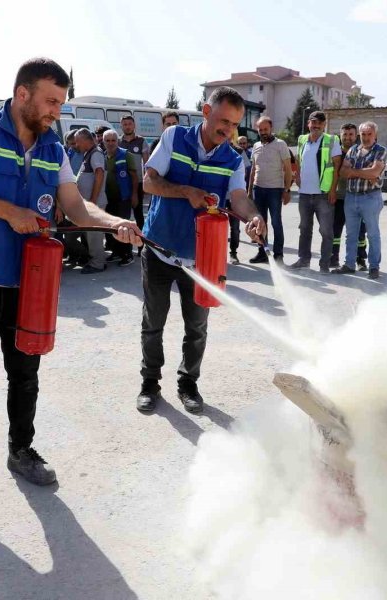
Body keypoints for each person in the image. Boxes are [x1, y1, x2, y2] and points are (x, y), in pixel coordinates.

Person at [0, 58, 141, 492]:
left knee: (25, 375)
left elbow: (77, 207)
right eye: (50, 101)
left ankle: (20, 448)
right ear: (22, 94)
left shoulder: (53, 148)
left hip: (28, 283)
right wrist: (11, 212)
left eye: (60, 103)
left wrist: (113, 223)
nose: (55, 112)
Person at [137, 86, 265, 414]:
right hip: (159, 247)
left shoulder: (233, 159)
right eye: (223, 121)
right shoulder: (174, 137)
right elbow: (149, 182)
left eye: (235, 125)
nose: (228, 130)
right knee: (154, 322)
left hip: (200, 258)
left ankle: (187, 383)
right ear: (206, 113)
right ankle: (150, 383)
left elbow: (238, 197)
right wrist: (185, 191)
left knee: (196, 327)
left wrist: (253, 217)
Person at [332, 121, 387, 280]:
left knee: (372, 234)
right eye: (363, 134)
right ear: (359, 135)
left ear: (375, 135)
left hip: (370, 197)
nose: (366, 137)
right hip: (351, 197)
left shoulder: (380, 151)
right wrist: (366, 172)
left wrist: (354, 172)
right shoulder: (353, 150)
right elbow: (343, 172)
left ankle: (374, 266)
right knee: (351, 234)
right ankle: (349, 264)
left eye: (369, 134)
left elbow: (375, 172)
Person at [290, 111, 342, 273]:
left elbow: (336, 168)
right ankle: (303, 260)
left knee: (326, 231)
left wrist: (333, 190)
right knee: (304, 228)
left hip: (324, 194)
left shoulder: (332, 140)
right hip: (305, 194)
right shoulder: (302, 140)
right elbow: (298, 159)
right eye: (313, 123)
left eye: (319, 123)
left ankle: (324, 264)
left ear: (324, 125)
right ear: (308, 124)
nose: (316, 126)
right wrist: (297, 176)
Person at [248, 116, 292, 264]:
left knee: (276, 222)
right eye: (260, 130)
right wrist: (249, 191)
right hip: (258, 189)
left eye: (265, 129)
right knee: (260, 223)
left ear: (271, 128)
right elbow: (253, 169)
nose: (263, 132)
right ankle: (262, 253)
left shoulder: (281, 145)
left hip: (275, 190)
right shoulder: (255, 146)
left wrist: (287, 190)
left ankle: (278, 255)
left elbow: (287, 168)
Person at [331, 123, 367, 270]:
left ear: (356, 136)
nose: (347, 137)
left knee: (360, 232)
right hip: (339, 198)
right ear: (340, 135)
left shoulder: (362, 152)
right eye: (345, 134)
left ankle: (360, 259)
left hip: (357, 198)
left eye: (351, 134)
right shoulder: (335, 154)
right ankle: (333, 258)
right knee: (336, 230)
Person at [73, 128, 109, 274]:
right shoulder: (89, 153)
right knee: (91, 234)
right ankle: (96, 260)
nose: (76, 145)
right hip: (90, 203)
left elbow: (99, 174)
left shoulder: (96, 153)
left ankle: (98, 264)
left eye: (77, 142)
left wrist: (93, 200)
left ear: (84, 140)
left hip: (95, 203)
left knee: (95, 235)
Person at [103, 129, 139, 265]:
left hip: (124, 198)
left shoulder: (125, 155)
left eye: (113, 140)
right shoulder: (103, 156)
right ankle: (116, 253)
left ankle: (128, 255)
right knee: (111, 227)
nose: (111, 143)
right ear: (103, 142)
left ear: (117, 141)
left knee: (124, 226)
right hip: (108, 198)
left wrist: (134, 195)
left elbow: (134, 177)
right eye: (108, 140)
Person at [118, 115, 149, 238]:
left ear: (134, 125)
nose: (127, 126)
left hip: (138, 183)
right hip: (121, 184)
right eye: (124, 124)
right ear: (121, 126)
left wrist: (147, 184)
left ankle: (142, 242)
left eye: (129, 124)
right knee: (122, 215)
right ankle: (124, 245)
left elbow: (147, 163)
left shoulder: (141, 141)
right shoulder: (118, 141)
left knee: (138, 214)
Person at [227, 135, 252, 264]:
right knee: (213, 225)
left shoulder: (239, 151)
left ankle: (233, 253)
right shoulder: (213, 149)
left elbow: (247, 171)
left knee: (235, 226)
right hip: (217, 195)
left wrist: (244, 190)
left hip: (234, 196)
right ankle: (215, 252)